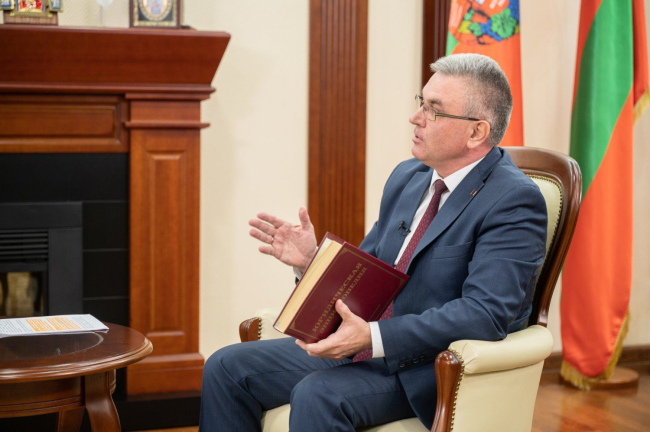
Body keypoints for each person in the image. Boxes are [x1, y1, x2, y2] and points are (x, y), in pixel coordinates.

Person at [199, 53, 547, 431]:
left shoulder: (513, 200)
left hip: (430, 367)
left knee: (317, 394)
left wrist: (375, 336)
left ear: (477, 132)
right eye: (421, 102)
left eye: (433, 110)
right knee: (226, 366)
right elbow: (369, 273)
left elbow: (485, 313)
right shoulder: (409, 177)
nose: (415, 118)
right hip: (363, 345)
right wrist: (312, 262)